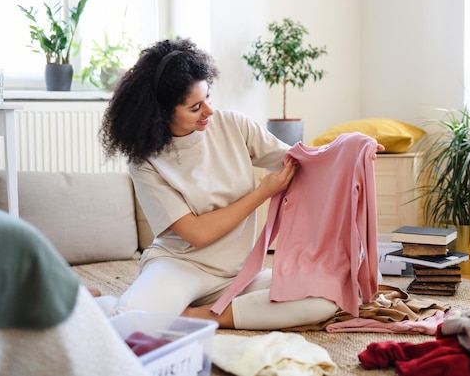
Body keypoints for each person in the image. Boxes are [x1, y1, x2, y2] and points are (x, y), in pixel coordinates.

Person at [97, 37, 344, 330]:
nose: (209, 112)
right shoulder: (145, 162)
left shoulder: (233, 125)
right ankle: (94, 302)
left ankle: (193, 317)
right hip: (180, 267)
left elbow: (297, 161)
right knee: (124, 326)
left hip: (238, 274)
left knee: (326, 295)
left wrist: (351, 150)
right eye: (195, 107)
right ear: (163, 113)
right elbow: (197, 234)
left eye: (209, 97)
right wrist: (263, 191)